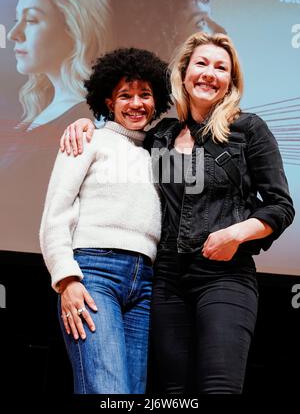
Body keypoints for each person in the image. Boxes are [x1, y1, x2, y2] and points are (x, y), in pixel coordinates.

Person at [60, 32, 294, 394]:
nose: (209, 73)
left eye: (221, 68)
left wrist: (237, 233)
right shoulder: (162, 136)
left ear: (231, 81)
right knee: (173, 395)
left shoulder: (248, 130)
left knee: (218, 389)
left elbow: (280, 205)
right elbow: (123, 133)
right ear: (183, 73)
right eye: (201, 63)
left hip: (225, 277)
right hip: (166, 280)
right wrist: (88, 124)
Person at [40, 47, 172, 394]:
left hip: (144, 284)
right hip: (94, 275)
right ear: (108, 102)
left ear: (157, 101)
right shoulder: (88, 140)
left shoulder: (160, 154)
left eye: (145, 94)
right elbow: (55, 213)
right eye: (124, 95)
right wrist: (67, 280)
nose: (136, 103)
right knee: (108, 391)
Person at [0, 0, 112, 252]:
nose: (14, 34)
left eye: (32, 20)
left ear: (74, 28)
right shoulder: (36, 112)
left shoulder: (88, 120)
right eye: (16, 20)